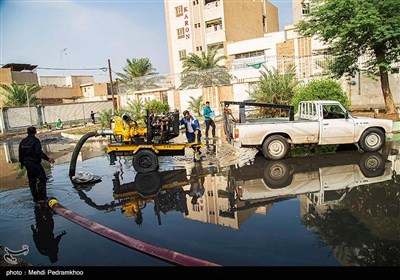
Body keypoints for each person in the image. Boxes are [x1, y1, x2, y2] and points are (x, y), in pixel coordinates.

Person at [18, 126, 55, 202]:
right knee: (42, 179)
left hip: (27, 164)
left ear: (27, 132)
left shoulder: (23, 141)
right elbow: (39, 152)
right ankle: (43, 197)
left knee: (32, 181)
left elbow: (20, 154)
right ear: (35, 132)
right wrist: (48, 159)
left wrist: (22, 163)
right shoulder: (35, 141)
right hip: (35, 163)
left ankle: (35, 198)